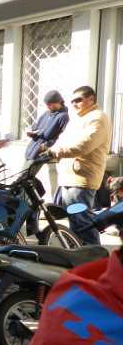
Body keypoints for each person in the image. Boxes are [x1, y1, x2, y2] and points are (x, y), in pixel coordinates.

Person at [43, 85, 112, 246]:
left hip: (82, 178)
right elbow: (62, 140)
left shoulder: (98, 117)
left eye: (79, 100)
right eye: (72, 101)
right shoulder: (77, 118)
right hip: (69, 177)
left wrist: (55, 152)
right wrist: (50, 150)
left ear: (91, 99)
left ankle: (94, 256)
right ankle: (81, 255)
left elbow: (84, 145)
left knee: (83, 222)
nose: (74, 103)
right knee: (75, 221)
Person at [23, 90, 70, 236]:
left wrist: (48, 146)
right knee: (26, 181)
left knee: (29, 182)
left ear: (59, 102)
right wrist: (33, 132)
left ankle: (41, 212)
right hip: (33, 150)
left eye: (51, 104)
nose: (49, 107)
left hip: (45, 154)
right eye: (48, 104)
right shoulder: (46, 114)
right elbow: (36, 127)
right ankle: (31, 212)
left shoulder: (63, 116)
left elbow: (62, 136)